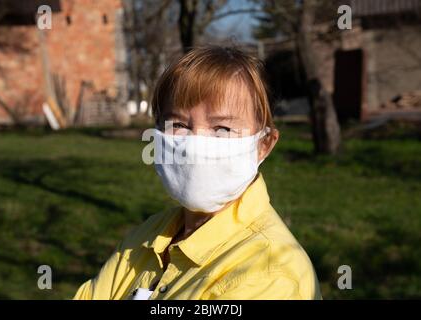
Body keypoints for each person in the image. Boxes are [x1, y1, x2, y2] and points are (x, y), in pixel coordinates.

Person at [73, 46, 322, 300]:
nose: (195, 145)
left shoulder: (269, 273)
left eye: (222, 129)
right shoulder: (147, 236)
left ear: (263, 145)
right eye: (178, 124)